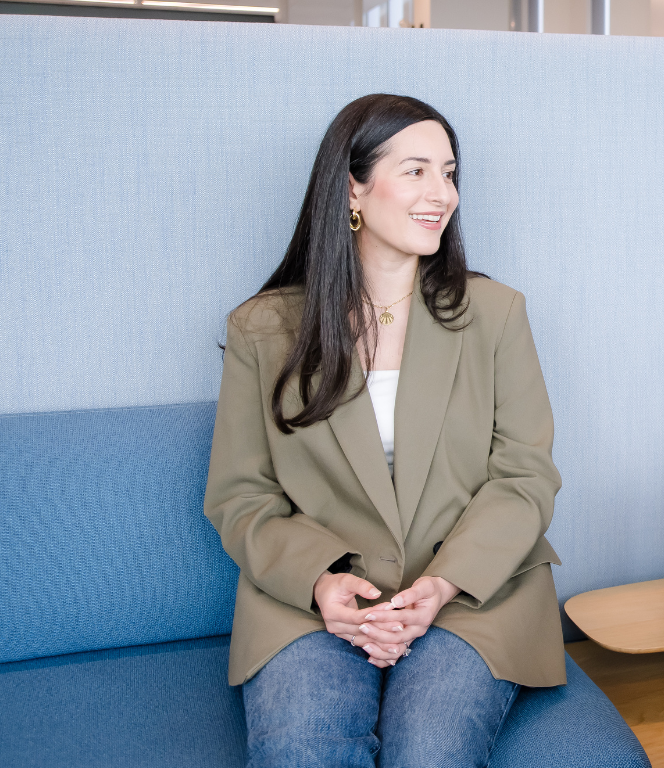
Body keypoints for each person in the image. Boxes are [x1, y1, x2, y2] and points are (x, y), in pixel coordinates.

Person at [204, 94, 565, 768]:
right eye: (417, 171)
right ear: (352, 188)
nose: (443, 194)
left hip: (473, 594)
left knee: (430, 756)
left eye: (450, 172)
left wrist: (442, 585)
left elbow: (525, 476)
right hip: (316, 602)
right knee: (300, 755)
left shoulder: (496, 313)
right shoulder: (262, 330)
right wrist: (320, 582)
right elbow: (241, 495)